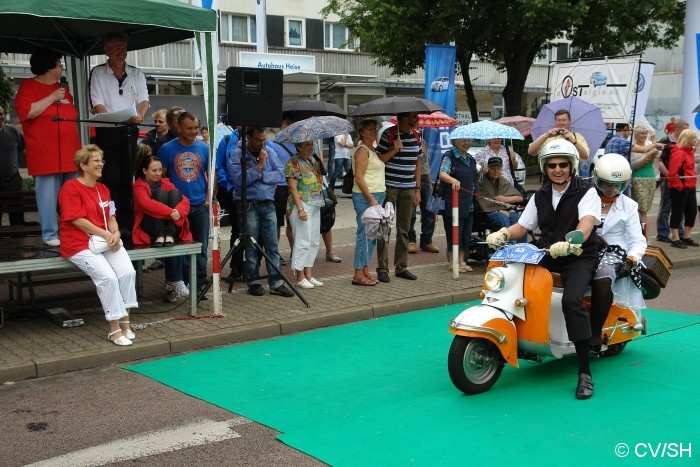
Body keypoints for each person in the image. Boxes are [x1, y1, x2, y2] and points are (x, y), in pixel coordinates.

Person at [487, 139, 602, 399]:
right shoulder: (540, 195)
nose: (558, 169)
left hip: (578, 255)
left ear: (571, 165)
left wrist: (574, 241)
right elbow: (523, 227)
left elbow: (587, 223)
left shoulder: (586, 191)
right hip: (547, 252)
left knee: (572, 301)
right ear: (544, 167)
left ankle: (585, 372)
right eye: (552, 165)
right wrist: (503, 232)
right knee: (512, 281)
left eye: (563, 164)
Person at [58, 145, 137, 346]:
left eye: (102, 160)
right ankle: (114, 329)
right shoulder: (70, 188)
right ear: (83, 165)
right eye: (96, 160)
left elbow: (111, 215)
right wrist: (107, 234)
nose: (101, 163)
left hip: (104, 240)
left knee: (128, 272)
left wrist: (116, 232)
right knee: (108, 278)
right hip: (78, 243)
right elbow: (77, 220)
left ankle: (126, 322)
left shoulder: (103, 188)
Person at [15, 47, 81, 246]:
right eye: (59, 63)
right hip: (45, 154)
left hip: (70, 153)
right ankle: (50, 234)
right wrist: (52, 97)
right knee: (47, 196)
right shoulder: (28, 87)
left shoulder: (65, 90)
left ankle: (73, 231)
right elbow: (27, 112)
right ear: (49, 66)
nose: (61, 67)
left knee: (73, 195)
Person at [588, 153, 646, 352]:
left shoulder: (629, 205)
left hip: (616, 252)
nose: (612, 189)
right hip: (586, 248)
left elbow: (638, 240)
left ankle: (594, 333)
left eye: (618, 185)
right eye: (606, 184)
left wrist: (631, 260)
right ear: (597, 179)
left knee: (603, 279)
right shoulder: (586, 198)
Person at [229, 126, 294, 298]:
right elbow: (238, 181)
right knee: (251, 245)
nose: (262, 143)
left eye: (264, 139)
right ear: (249, 138)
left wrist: (260, 176)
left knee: (272, 245)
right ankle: (254, 281)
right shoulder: (238, 154)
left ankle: (276, 283)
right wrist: (259, 166)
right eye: (258, 140)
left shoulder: (270, 152)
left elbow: (280, 175)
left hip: (268, 203)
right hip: (248, 204)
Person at [158, 111, 212, 296]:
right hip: (178, 207)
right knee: (176, 247)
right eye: (189, 128)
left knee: (201, 247)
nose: (194, 131)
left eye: (196, 127)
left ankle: (198, 285)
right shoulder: (167, 149)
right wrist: (169, 203)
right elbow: (161, 178)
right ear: (179, 127)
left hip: (199, 206)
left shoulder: (204, 148)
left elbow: (213, 176)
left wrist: (207, 200)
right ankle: (175, 284)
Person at [132, 148, 192, 302]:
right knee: (160, 195)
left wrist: (178, 210)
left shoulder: (166, 182)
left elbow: (184, 201)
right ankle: (163, 236)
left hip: (168, 228)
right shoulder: (138, 186)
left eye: (159, 170)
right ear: (145, 170)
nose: (158, 173)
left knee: (174, 194)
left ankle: (169, 236)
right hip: (149, 227)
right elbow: (147, 205)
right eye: (154, 170)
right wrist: (172, 212)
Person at [375, 112, 422, 282]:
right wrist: (394, 149)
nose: (416, 119)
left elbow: (418, 163)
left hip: (408, 188)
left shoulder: (416, 135)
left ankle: (401, 267)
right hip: (389, 187)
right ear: (402, 119)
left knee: (404, 229)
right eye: (412, 117)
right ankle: (382, 268)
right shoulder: (389, 134)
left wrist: (417, 189)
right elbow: (379, 159)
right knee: (384, 227)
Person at [350, 119, 385, 286]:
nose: (374, 132)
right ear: (362, 132)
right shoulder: (362, 150)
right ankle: (358, 272)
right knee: (364, 235)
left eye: (375, 129)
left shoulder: (372, 149)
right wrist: (371, 199)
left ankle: (364, 269)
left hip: (376, 195)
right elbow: (358, 177)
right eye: (370, 129)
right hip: (367, 197)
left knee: (371, 236)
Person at [285, 140, 325, 288]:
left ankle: (309, 274)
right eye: (307, 145)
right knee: (303, 241)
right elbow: (292, 187)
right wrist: (300, 209)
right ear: (298, 147)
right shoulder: (293, 163)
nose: (310, 147)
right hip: (302, 204)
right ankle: (299, 276)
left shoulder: (313, 160)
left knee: (314, 240)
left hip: (315, 203)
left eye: (311, 144)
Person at [439, 137, 478, 273]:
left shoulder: (471, 159)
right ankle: (453, 262)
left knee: (465, 234)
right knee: (454, 233)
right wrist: (452, 179)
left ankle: (461, 261)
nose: (467, 143)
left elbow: (474, 179)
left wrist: (482, 172)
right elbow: (442, 173)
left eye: (469, 141)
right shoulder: (449, 156)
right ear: (455, 142)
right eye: (463, 140)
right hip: (454, 203)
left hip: (469, 203)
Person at [656, 119, 689, 243]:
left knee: (680, 206)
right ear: (677, 129)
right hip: (668, 178)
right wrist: (669, 175)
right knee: (666, 206)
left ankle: (679, 232)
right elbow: (659, 161)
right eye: (684, 130)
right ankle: (662, 233)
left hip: (681, 179)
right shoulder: (666, 141)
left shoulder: (683, 143)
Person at [667, 129, 699, 249]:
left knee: (692, 211)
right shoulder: (679, 152)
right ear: (688, 139)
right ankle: (675, 238)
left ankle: (686, 236)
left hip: (690, 185)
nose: (696, 140)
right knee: (677, 211)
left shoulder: (690, 151)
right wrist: (679, 186)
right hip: (680, 187)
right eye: (694, 137)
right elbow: (673, 172)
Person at [408, 139, 439, 254]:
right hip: (411, 180)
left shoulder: (424, 141)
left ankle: (427, 241)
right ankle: (410, 240)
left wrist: (430, 182)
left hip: (425, 179)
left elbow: (426, 162)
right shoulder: (407, 140)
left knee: (429, 212)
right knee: (410, 213)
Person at [476, 156, 523, 232]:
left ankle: (522, 244)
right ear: (488, 168)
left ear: (502, 169)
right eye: (493, 168)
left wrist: (504, 199)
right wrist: (499, 211)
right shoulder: (481, 180)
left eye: (498, 168)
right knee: (502, 217)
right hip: (486, 214)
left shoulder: (502, 180)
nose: (496, 171)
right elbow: (482, 203)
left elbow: (519, 198)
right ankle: (510, 244)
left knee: (518, 219)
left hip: (504, 211)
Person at [629, 125, 660, 240]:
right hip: (638, 178)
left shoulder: (649, 145)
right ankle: (640, 236)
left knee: (644, 210)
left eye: (645, 133)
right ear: (636, 134)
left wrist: (653, 138)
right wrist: (648, 156)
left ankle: (645, 237)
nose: (644, 135)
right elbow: (635, 165)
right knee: (639, 210)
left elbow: (657, 153)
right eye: (642, 133)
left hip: (650, 179)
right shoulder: (633, 147)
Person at [0, 106, 26, 225]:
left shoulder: (13, 131)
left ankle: (19, 241)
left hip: (13, 181)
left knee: (17, 218)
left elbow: (23, 150)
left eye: (2, 114)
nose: (1, 117)